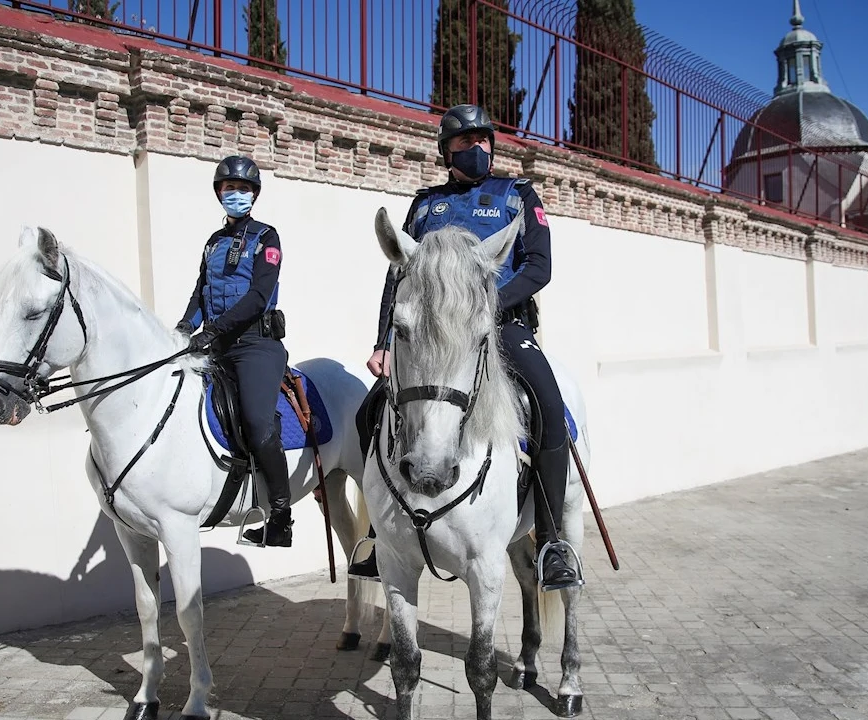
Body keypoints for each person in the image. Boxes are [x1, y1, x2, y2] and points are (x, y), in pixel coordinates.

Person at [348, 104, 582, 592]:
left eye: (484, 140)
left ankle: (553, 542)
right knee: (369, 411)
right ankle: (378, 534)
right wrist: (382, 343)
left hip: (499, 326)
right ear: (445, 150)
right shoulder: (425, 205)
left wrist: (486, 305)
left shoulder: (517, 195)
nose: (478, 149)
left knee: (549, 406)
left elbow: (540, 267)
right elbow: (398, 278)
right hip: (432, 337)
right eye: (464, 142)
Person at [177, 155, 293, 547]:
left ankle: (280, 517)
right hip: (216, 344)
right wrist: (184, 327)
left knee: (258, 424)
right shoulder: (213, 243)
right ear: (219, 193)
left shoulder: (266, 237)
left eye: (244, 189)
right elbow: (200, 293)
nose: (237, 195)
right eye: (230, 189)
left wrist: (214, 329)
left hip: (256, 346)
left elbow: (259, 296)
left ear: (254, 194)